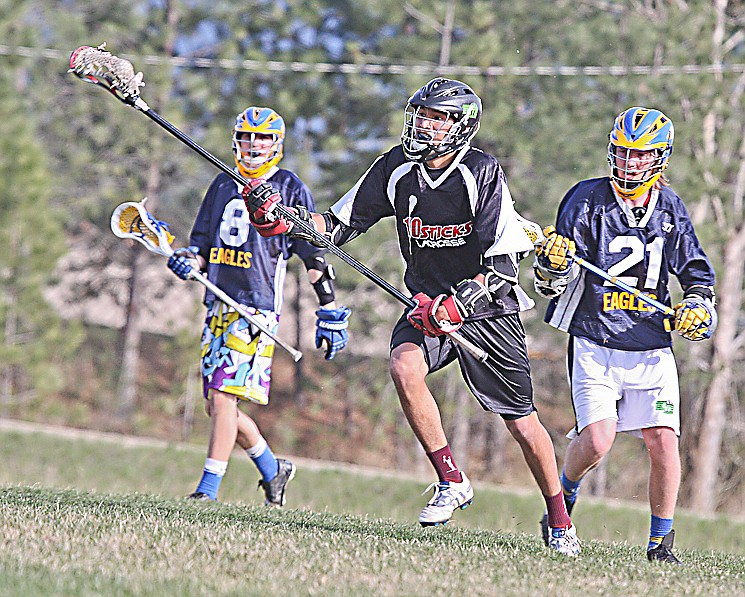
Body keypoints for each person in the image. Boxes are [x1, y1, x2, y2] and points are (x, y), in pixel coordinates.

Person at [242, 78, 580, 555]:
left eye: (437, 118)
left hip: (487, 309)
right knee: (403, 365)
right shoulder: (395, 169)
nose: (424, 124)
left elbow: (503, 269)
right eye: (420, 114)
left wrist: (458, 304)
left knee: (522, 423)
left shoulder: (481, 173)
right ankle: (451, 479)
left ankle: (561, 521)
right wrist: (281, 216)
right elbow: (333, 228)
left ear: (461, 126)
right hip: (427, 307)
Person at [533, 106, 717, 564]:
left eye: (641, 155)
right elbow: (549, 282)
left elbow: (696, 274)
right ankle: (565, 495)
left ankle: (661, 543)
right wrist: (553, 263)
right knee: (597, 440)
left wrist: (696, 306)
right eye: (623, 153)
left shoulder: (670, 208)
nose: (630, 163)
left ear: (660, 159)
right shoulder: (586, 199)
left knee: (663, 440)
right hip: (596, 338)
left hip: (651, 345)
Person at [167, 106, 351, 505]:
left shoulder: (289, 187)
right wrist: (188, 260)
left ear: (277, 144)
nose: (254, 144)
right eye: (247, 136)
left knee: (222, 398)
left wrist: (329, 307)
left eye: (263, 137)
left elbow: (312, 253)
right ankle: (273, 470)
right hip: (218, 300)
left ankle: (207, 491)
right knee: (217, 406)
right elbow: (202, 245)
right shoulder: (221, 183)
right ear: (235, 140)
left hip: (254, 309)